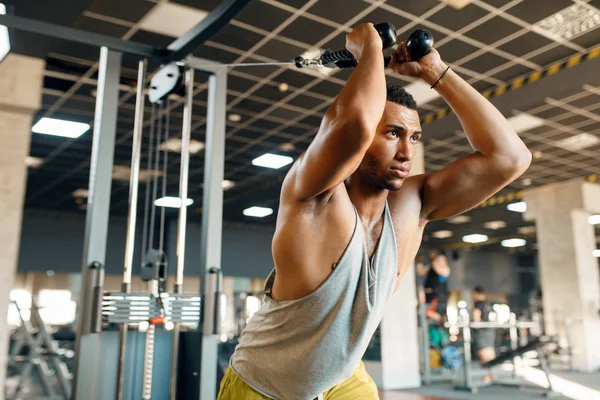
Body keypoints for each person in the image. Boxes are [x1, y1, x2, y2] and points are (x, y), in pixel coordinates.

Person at [218, 23, 531, 400]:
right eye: (392, 134)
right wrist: (369, 50)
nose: (406, 153)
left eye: (414, 138)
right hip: (266, 384)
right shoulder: (313, 197)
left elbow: (511, 158)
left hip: (343, 378)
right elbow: (354, 124)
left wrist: (436, 71)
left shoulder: (414, 206)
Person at [472, 285, 496, 381]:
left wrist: (475, 325)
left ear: (476, 294)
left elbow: (476, 317)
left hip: (482, 331)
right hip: (489, 331)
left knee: (483, 353)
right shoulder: (488, 304)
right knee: (490, 352)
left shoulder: (478, 304)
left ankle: (487, 375)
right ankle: (491, 374)